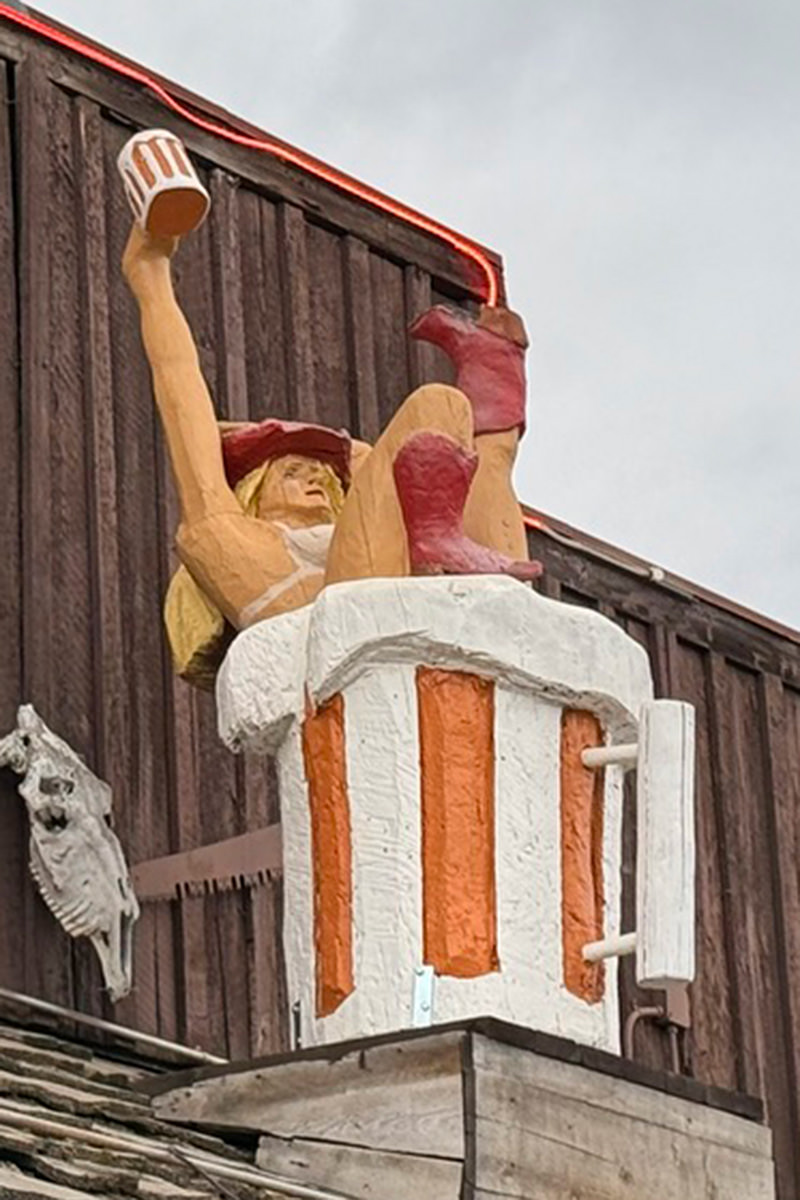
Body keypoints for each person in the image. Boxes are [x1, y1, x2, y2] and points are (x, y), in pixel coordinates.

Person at [122, 222, 540, 687]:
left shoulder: (346, 535)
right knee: (433, 406)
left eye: (323, 473)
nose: (316, 478)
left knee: (468, 434)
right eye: (293, 472)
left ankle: (494, 366)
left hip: (421, 607)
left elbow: (370, 468)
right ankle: (442, 540)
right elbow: (181, 392)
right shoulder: (232, 535)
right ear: (252, 494)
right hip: (347, 632)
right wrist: (150, 274)